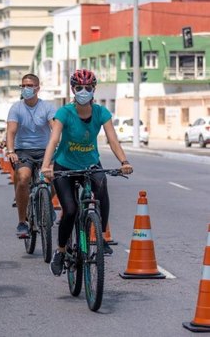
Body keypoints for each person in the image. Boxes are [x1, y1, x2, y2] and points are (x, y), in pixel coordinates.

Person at [41, 69, 133, 276]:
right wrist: (46, 166)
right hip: (64, 166)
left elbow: (113, 139)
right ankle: (61, 251)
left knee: (102, 185)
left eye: (88, 88)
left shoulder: (101, 113)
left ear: (94, 90)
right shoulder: (65, 112)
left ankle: (100, 237)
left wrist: (124, 161)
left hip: (90, 163)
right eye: (79, 87)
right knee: (71, 210)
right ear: (73, 89)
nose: (84, 91)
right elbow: (54, 139)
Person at [6, 73, 56, 238]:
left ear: (37, 88)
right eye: (23, 86)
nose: (26, 89)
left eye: (30, 86)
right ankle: (22, 221)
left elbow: (55, 128)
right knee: (23, 178)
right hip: (23, 150)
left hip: (45, 150)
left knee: (56, 178)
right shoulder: (16, 108)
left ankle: (46, 203)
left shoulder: (48, 107)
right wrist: (11, 151)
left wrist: (58, 145)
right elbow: (11, 132)